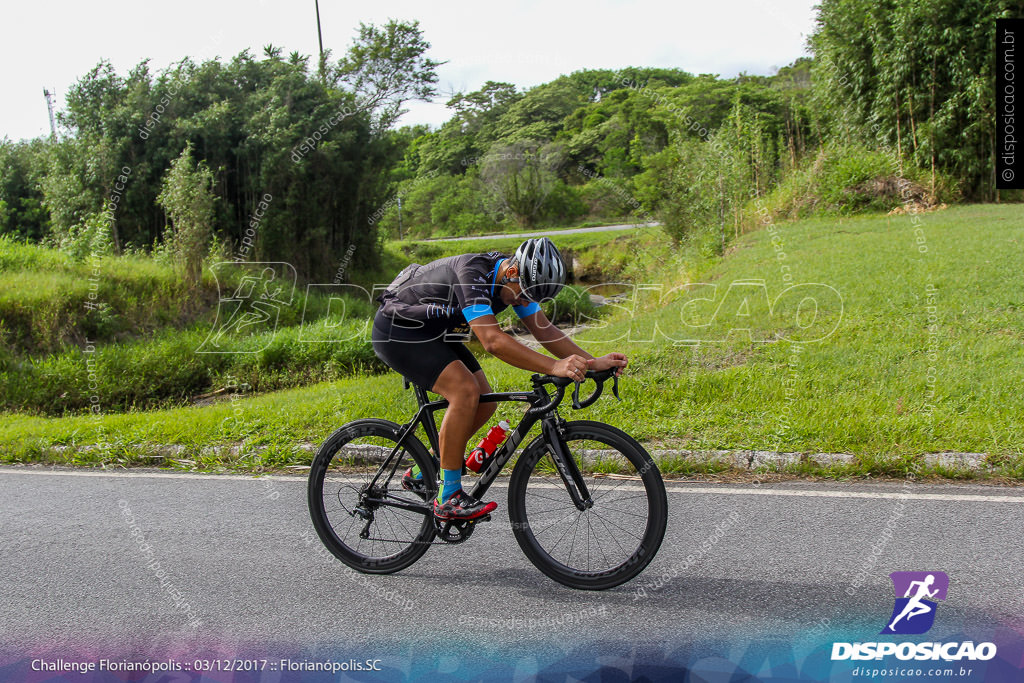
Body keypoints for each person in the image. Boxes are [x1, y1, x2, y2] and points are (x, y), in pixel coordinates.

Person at [371, 237, 628, 521]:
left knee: (484, 403)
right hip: (399, 331)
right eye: (522, 294)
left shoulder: (519, 284)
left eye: (531, 298)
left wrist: (591, 363)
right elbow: (492, 341)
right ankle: (449, 498)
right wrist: (555, 366)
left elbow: (545, 331)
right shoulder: (472, 272)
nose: (522, 301)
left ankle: (422, 472)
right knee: (465, 391)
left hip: (435, 331)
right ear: (513, 271)